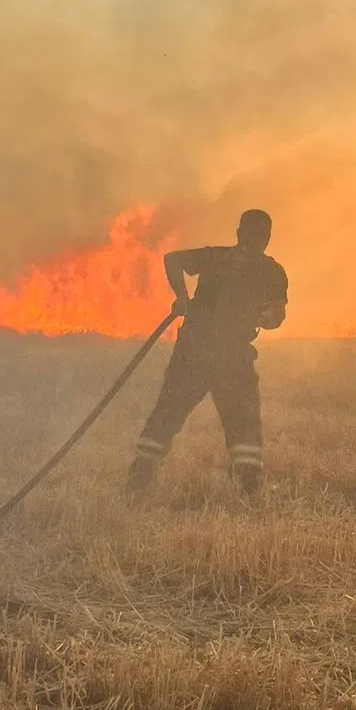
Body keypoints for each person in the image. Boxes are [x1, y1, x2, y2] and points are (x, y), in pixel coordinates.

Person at [128, 209, 287, 499]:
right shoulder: (271, 271)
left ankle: (139, 479)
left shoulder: (216, 257)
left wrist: (182, 296)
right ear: (267, 238)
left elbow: (173, 259)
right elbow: (278, 315)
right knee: (243, 422)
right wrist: (266, 318)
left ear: (239, 233)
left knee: (170, 412)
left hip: (198, 351)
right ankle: (248, 488)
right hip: (228, 354)